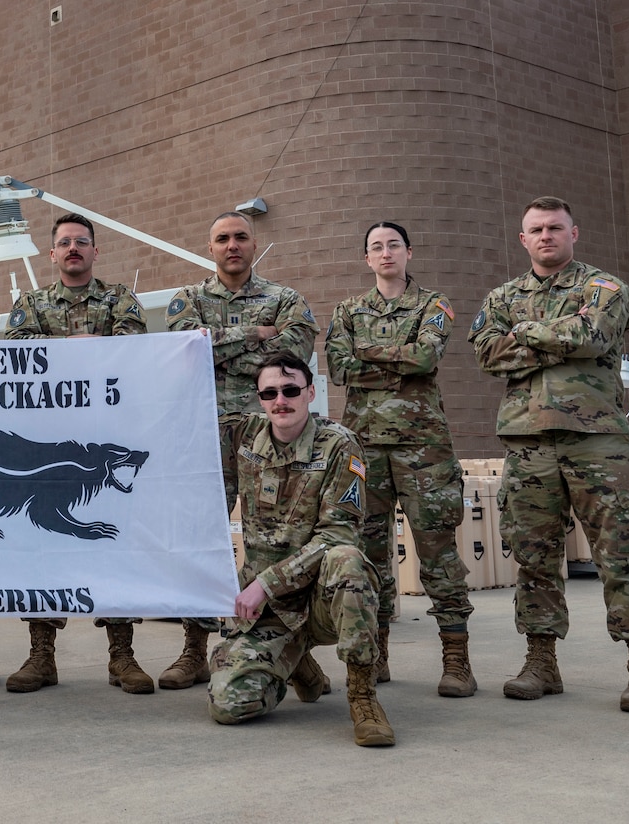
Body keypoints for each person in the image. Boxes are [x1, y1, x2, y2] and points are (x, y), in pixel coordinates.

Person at [469, 196, 629, 713]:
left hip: (595, 439)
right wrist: (563, 336)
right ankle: (541, 662)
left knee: (620, 552)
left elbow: (595, 333)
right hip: (527, 441)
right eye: (535, 229)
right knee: (533, 558)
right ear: (522, 239)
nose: (545, 236)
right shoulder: (501, 295)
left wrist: (526, 334)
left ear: (574, 233)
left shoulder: (604, 288)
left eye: (555, 227)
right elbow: (487, 353)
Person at [164, 210, 318, 690]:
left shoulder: (286, 299)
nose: (232, 245)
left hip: (264, 436)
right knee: (200, 536)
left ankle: (281, 645)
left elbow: (293, 359)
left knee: (270, 537)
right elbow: (182, 351)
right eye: (222, 239)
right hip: (202, 435)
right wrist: (256, 335)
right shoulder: (187, 299)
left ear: (255, 244)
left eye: (241, 237)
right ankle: (194, 648)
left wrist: (217, 345)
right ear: (210, 248)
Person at [207, 353, 392, 747]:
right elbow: (177, 426)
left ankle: (362, 697)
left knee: (348, 561)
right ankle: (294, 663)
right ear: (259, 398)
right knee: (229, 703)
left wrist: (264, 584)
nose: (281, 400)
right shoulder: (243, 435)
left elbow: (337, 535)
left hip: (322, 600)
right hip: (270, 613)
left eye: (291, 390)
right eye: (269, 392)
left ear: (310, 392)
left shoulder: (340, 446)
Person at [325, 222, 476, 696]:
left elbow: (427, 359)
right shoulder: (348, 309)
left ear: (409, 252)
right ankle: (376, 653)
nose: (385, 252)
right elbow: (337, 368)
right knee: (368, 556)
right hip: (363, 448)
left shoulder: (435, 303)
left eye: (393, 245)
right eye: (376, 247)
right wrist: (398, 361)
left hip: (423, 448)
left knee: (438, 554)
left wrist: (368, 357)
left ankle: (456, 659)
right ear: (366, 258)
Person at [3, 212, 151, 694]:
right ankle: (41, 654)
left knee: (113, 541)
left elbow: (136, 349)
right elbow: (15, 353)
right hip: (48, 446)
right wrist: (74, 346)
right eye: (64, 243)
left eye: (81, 242)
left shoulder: (118, 300)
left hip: (106, 444)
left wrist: (90, 347)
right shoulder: (31, 303)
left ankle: (122, 656)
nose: (72, 249)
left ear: (95, 251)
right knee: (43, 544)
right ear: (51, 254)